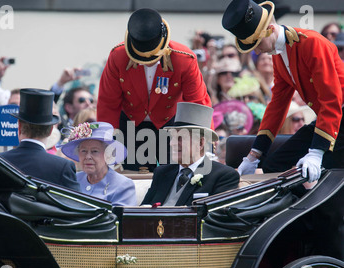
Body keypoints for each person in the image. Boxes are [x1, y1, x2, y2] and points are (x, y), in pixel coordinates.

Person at [222, 0, 344, 184]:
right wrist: (254, 155)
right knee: (275, 165)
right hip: (329, 120)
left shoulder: (312, 43)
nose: (257, 50)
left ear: (270, 29)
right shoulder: (279, 53)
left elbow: (331, 100)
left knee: (320, 171)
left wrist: (317, 152)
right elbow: (278, 104)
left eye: (257, 42)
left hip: (337, 116)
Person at [96, 8, 211, 172]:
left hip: (170, 124)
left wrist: (204, 145)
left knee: (174, 174)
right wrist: (108, 143)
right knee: (127, 174)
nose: (147, 62)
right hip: (130, 123)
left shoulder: (184, 59)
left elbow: (198, 104)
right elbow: (108, 103)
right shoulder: (117, 56)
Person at [141, 102, 239, 207]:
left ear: (200, 143)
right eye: (172, 137)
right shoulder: (162, 173)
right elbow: (141, 212)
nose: (172, 143)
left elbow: (215, 218)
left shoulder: (224, 176)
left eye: (180, 138)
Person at [0, 88, 80, 191]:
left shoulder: (0, 161)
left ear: (19, 126)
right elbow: (78, 205)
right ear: (51, 130)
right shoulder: (62, 167)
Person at [61, 122, 136, 206]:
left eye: (94, 151)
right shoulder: (73, 180)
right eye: (84, 151)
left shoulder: (123, 185)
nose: (88, 157)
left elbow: (120, 218)